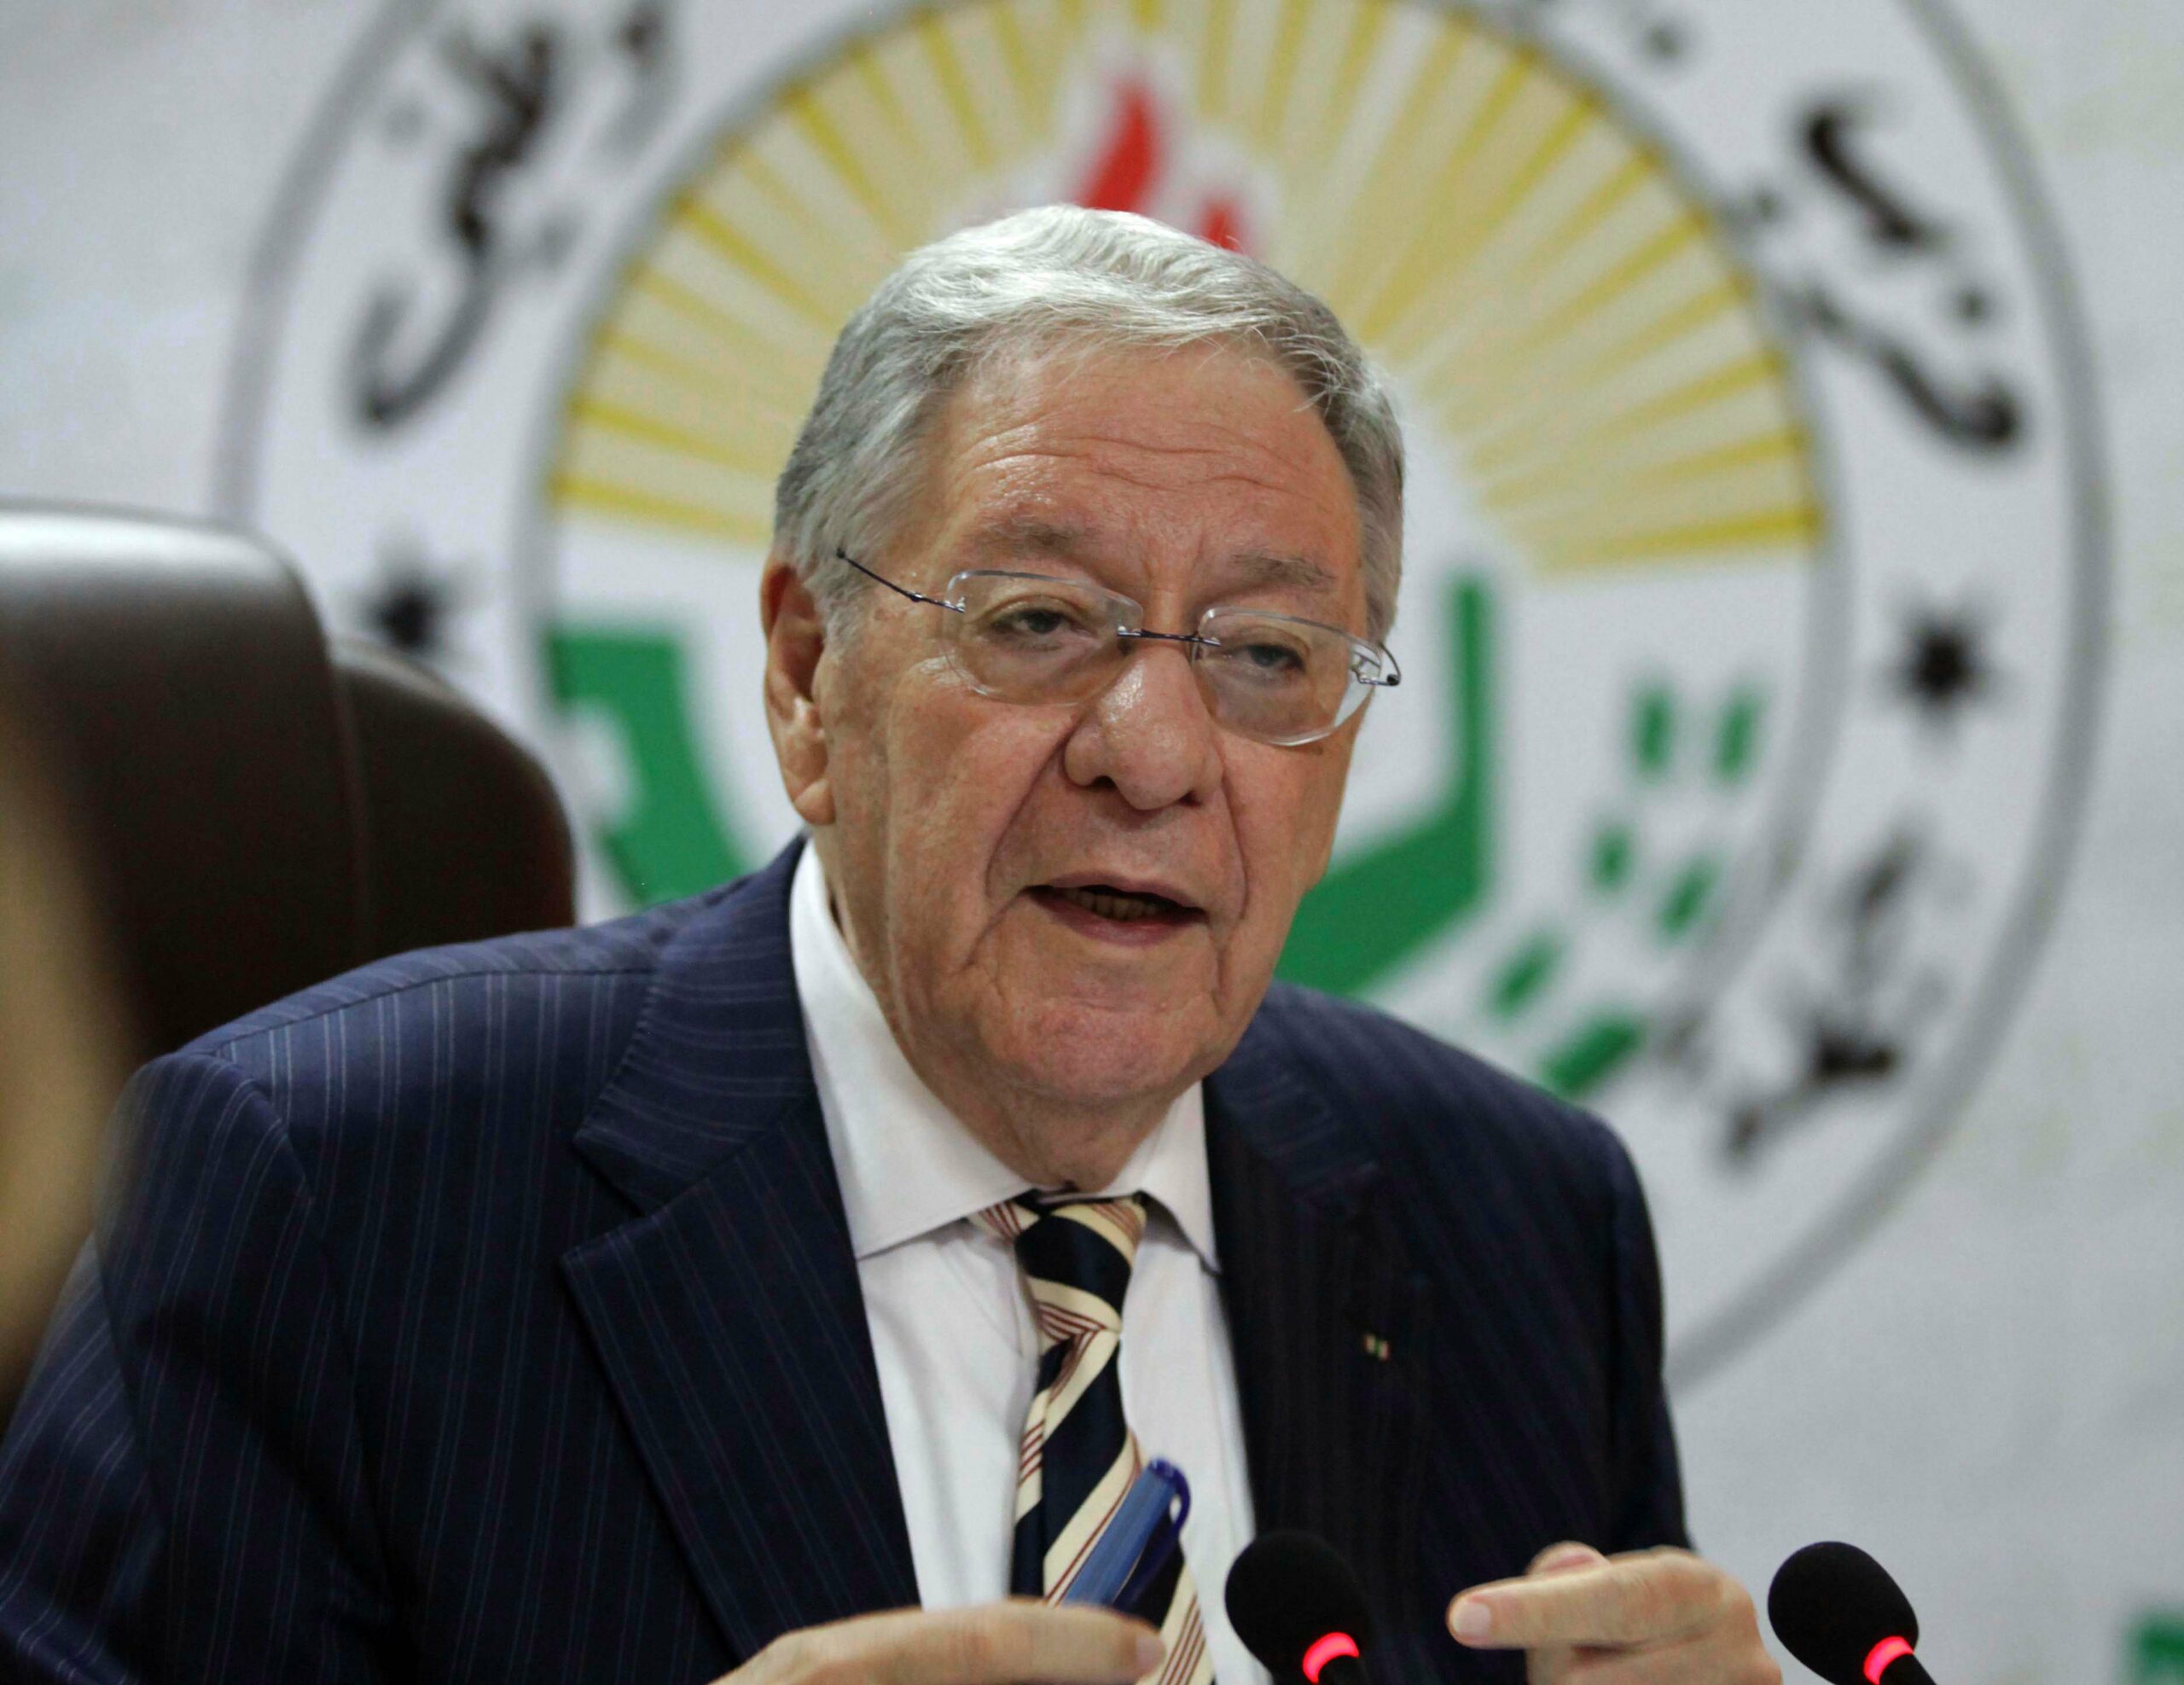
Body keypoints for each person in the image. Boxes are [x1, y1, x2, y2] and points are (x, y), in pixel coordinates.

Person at [0, 206, 1774, 1685]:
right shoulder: (325, 1196)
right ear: (805, 678)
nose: (1154, 753)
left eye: (1265, 657)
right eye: (1040, 620)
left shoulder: (1519, 1224)